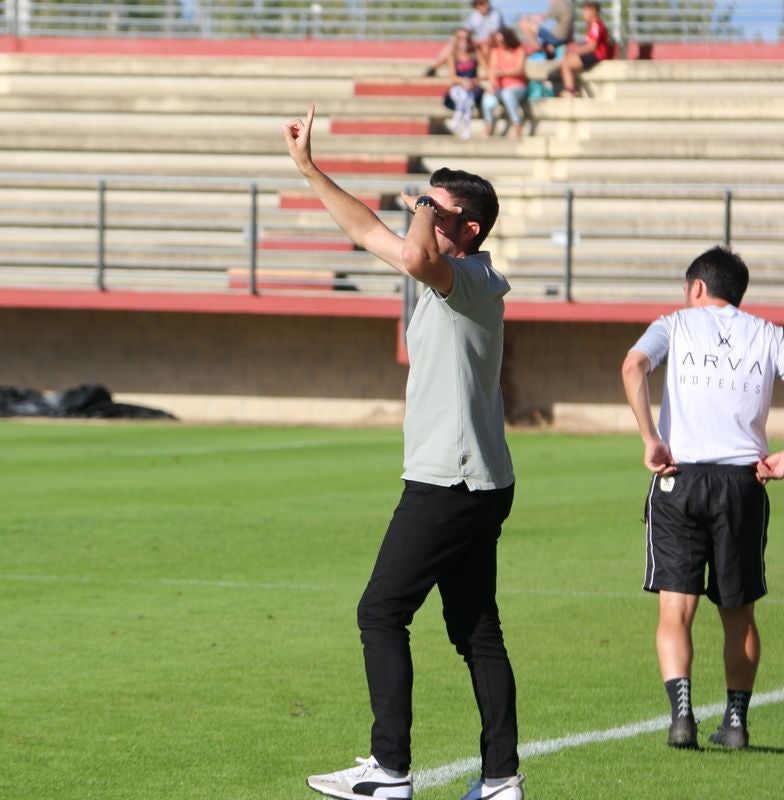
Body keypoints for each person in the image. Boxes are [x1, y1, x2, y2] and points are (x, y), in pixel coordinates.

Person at [283, 105, 523, 800]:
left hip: (449, 482)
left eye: (436, 209)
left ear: (467, 229)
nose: (421, 214)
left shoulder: (470, 278)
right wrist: (307, 168)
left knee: (380, 613)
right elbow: (365, 230)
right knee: (477, 630)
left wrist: (419, 205)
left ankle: (389, 770)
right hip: (476, 480)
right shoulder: (439, 271)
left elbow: (417, 250)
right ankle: (501, 779)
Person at [620, 245, 781, 751]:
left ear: (696, 288)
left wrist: (650, 438)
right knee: (739, 613)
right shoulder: (769, 334)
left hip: (678, 477)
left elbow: (632, 366)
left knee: (676, 610)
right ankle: (735, 724)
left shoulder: (675, 324)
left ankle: (682, 717)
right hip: (743, 483)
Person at [426, 28, 483, 139]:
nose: (464, 41)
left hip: (472, 88)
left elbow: (486, 72)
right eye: (461, 38)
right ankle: (465, 129)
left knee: (467, 97)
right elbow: (452, 77)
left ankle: (457, 122)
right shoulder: (452, 55)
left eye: (466, 38)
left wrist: (473, 82)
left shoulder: (475, 54)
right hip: (458, 88)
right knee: (464, 97)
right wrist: (463, 81)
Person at [481, 27, 529, 138]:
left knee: (507, 94)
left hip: (518, 86)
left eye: (501, 41)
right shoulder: (495, 51)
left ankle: (517, 125)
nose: (499, 43)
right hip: (500, 87)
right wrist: (492, 85)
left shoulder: (519, 49)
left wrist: (502, 73)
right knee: (487, 97)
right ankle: (489, 125)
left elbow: (519, 70)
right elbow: (492, 71)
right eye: (497, 41)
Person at [559, 1, 611, 97]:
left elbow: (592, 46)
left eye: (585, 11)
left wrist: (576, 51)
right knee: (566, 60)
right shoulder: (593, 25)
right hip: (594, 54)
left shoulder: (596, 25)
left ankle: (570, 90)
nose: (583, 14)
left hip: (596, 55)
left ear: (593, 11)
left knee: (566, 63)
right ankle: (571, 89)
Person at [464, 0, 505, 70]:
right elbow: (465, 30)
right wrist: (468, 40)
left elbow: (493, 34)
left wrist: (479, 42)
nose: (483, 6)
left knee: (485, 47)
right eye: (479, 3)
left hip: (492, 42)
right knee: (453, 43)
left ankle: (489, 71)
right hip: (480, 43)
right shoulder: (474, 15)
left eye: (484, 3)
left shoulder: (495, 13)